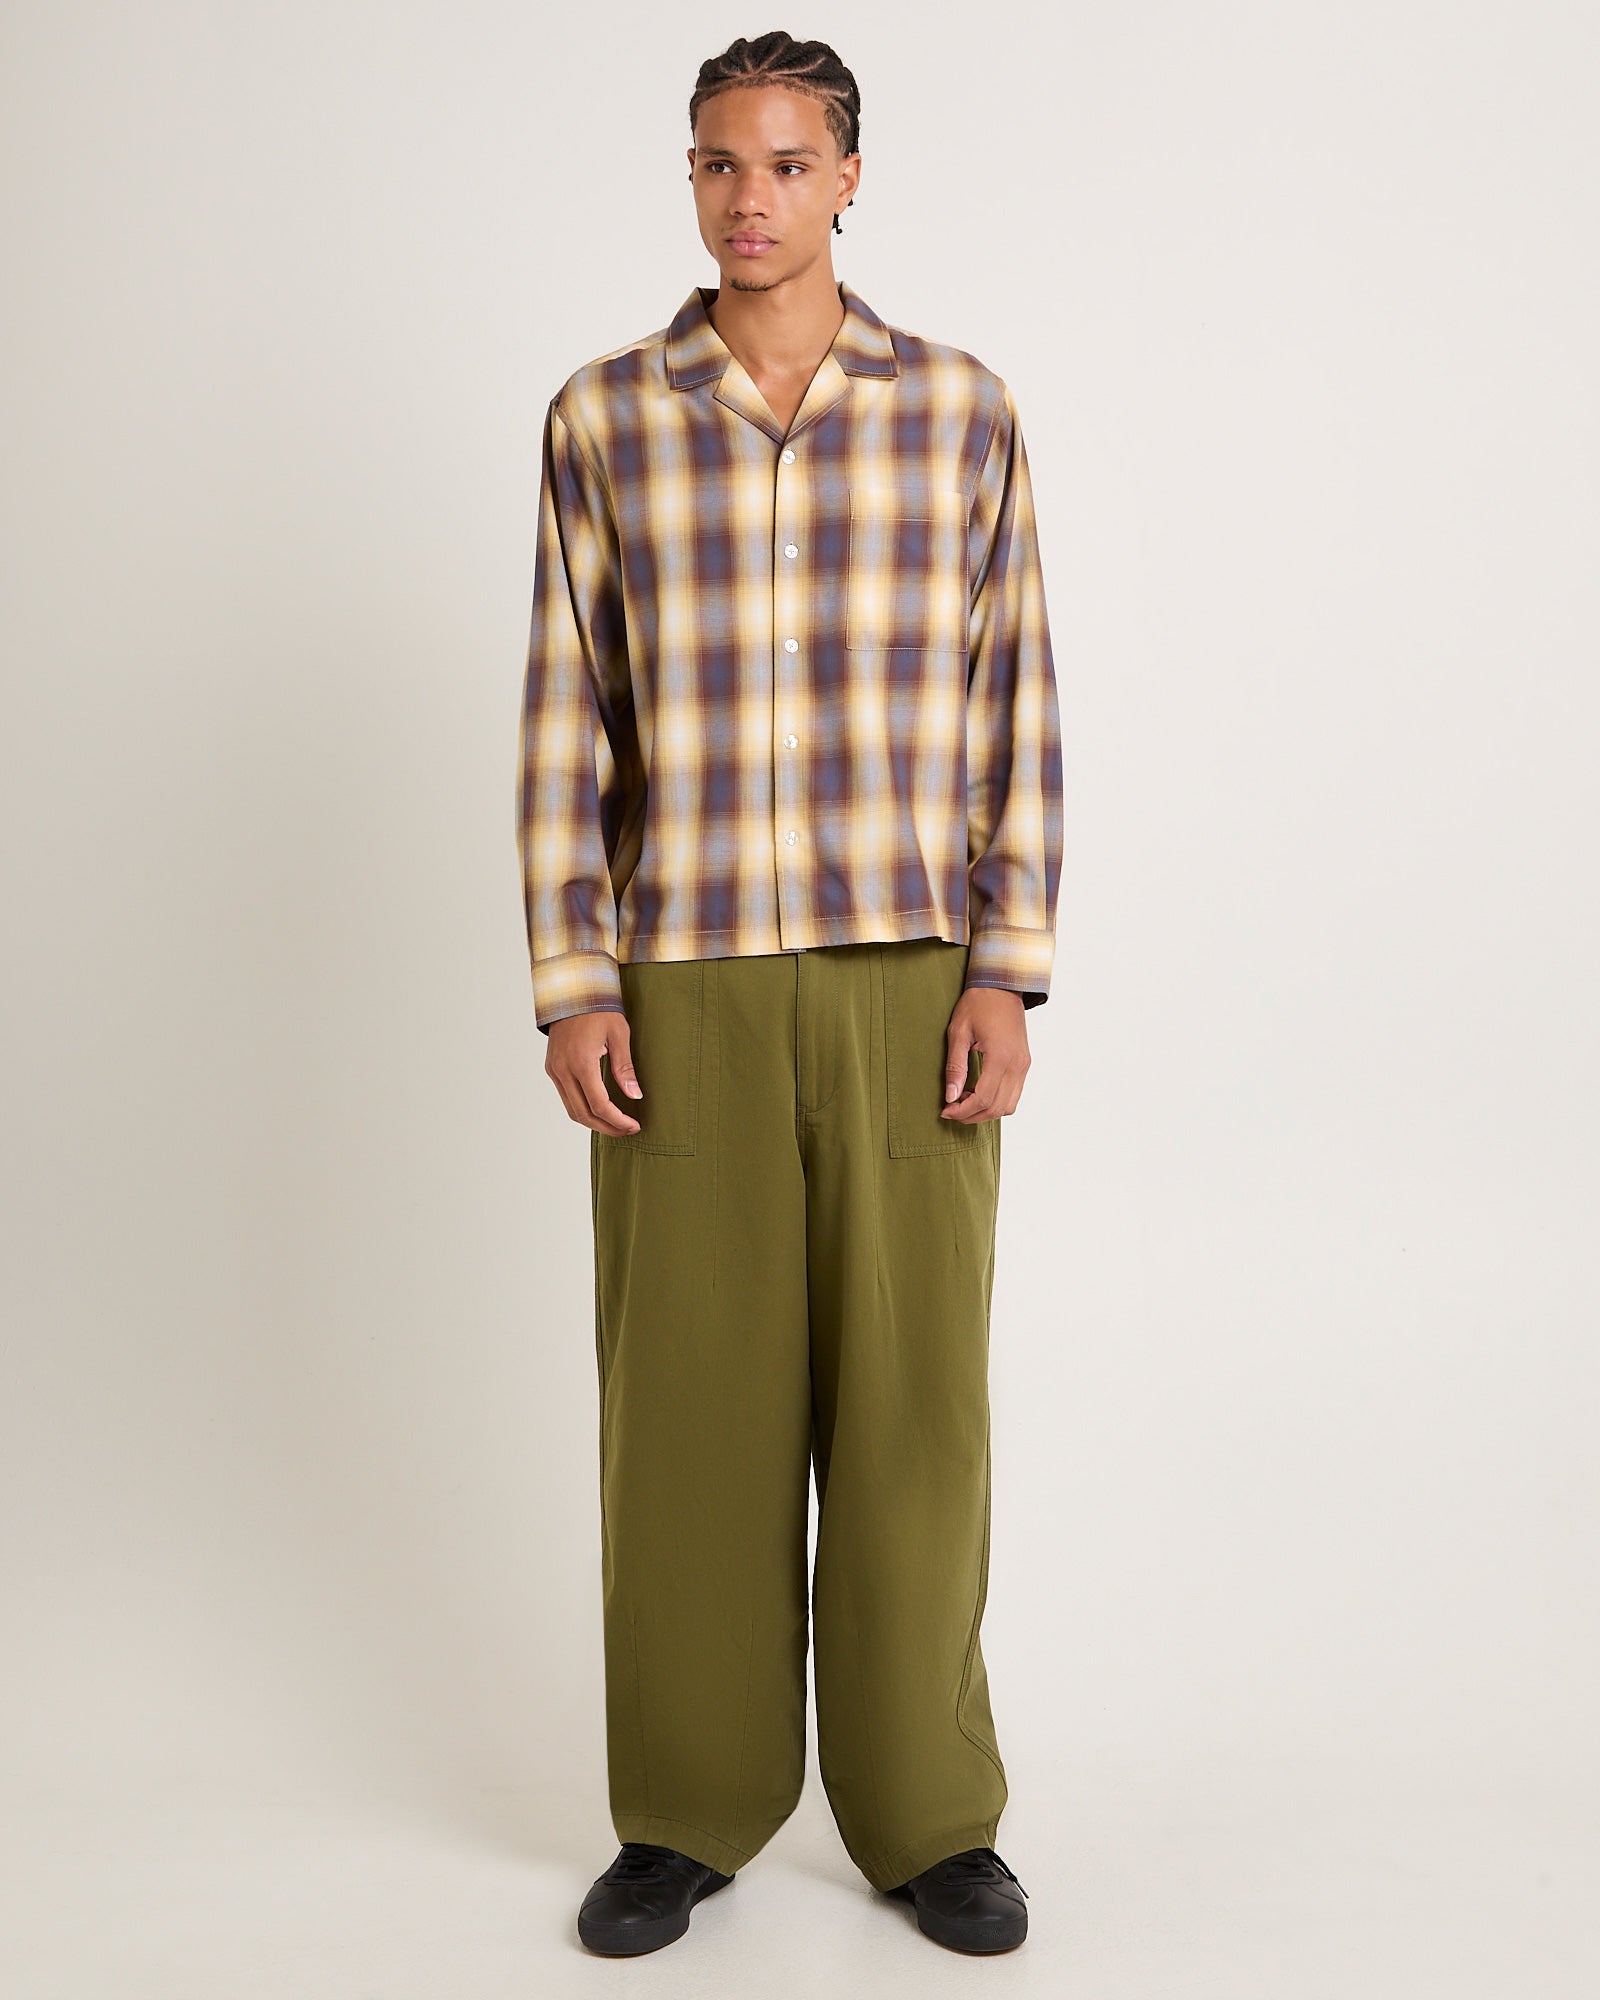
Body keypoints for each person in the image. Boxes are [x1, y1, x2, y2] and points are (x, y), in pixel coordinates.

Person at [515, 29, 1062, 1960]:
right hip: (687, 988)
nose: (749, 198)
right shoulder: (604, 418)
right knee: (688, 1413)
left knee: (915, 1416)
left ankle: (929, 1815)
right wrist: (576, 983)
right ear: (692, 180)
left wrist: (1009, 969)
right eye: (716, 164)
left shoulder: (961, 410)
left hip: (912, 976)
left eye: (784, 163)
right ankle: (685, 1808)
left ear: (847, 177)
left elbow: (1015, 701)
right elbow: (568, 717)